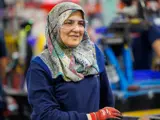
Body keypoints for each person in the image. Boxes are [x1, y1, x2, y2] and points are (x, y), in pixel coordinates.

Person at [26, 2, 122, 120]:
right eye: (68, 23)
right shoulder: (41, 65)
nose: (76, 29)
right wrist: (92, 117)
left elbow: (106, 101)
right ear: (54, 26)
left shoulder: (93, 54)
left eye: (81, 23)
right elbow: (46, 115)